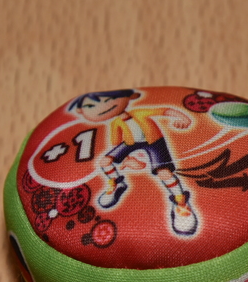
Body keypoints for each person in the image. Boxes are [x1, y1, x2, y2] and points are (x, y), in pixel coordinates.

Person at [69, 89, 198, 236]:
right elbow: (116, 142)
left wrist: (181, 117)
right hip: (129, 143)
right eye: (91, 106)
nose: (105, 106)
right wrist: (126, 160)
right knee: (105, 161)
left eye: (109, 100)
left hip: (154, 142)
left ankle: (181, 202)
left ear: (129, 97)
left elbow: (164, 110)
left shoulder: (139, 112)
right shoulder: (116, 123)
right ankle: (116, 183)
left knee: (164, 172)